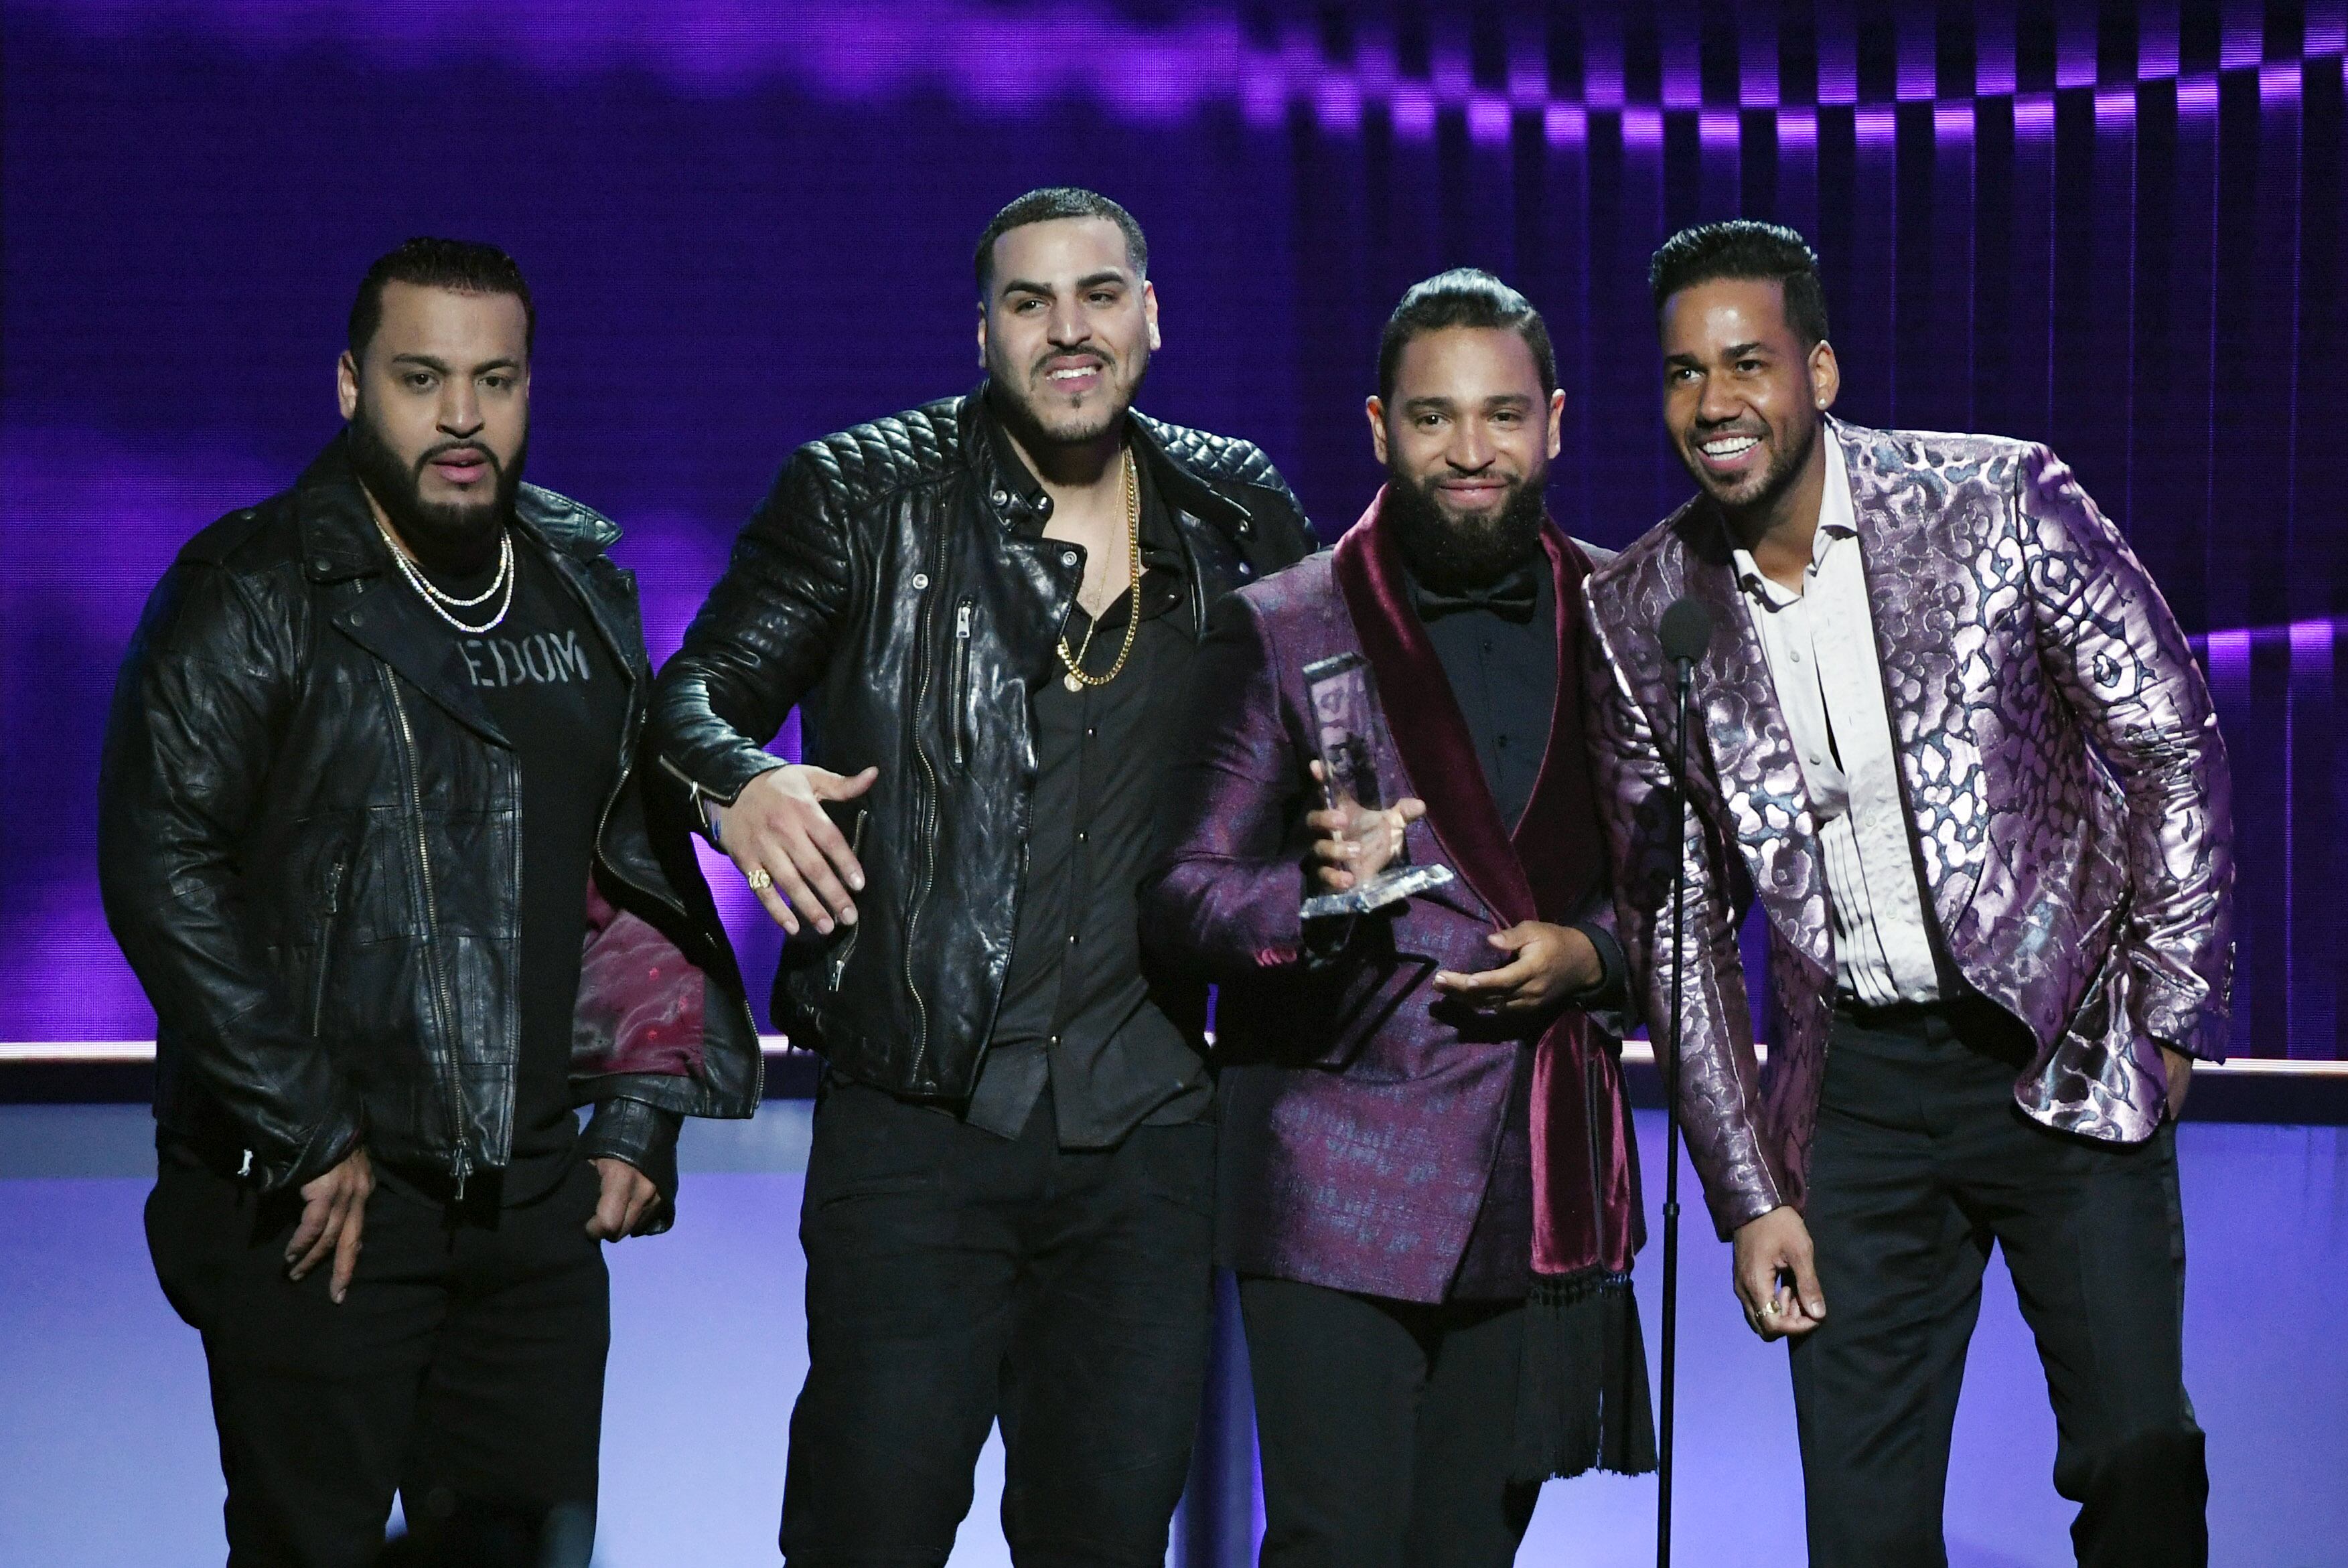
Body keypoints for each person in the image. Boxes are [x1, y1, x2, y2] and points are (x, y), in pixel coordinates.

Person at [650, 187, 1314, 1565]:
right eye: (1030, 304)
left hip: (1146, 1135)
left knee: (1111, 1537)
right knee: (868, 1530)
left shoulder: (1235, 504)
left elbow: (1325, 734)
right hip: (917, 1124)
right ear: (983, 333)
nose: (1067, 332)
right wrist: (743, 780)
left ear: (1149, 314)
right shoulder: (862, 492)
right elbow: (686, 702)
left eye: (1098, 296)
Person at [98, 236, 761, 1565]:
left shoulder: (580, 589)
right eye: (421, 378)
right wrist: (306, 1125)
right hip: (321, 1193)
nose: (461, 418)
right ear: (352, 385)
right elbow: (162, 864)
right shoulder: (250, 588)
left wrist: (636, 1107)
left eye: (493, 379)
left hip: (529, 1201)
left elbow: (625, 861)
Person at [1581, 220, 2233, 1567]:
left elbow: (2168, 733)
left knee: (2137, 1454)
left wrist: (2165, 1007)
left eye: (1747, 362)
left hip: (2057, 1043)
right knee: (1863, 1529)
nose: (1714, 403)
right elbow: (1675, 919)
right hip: (1854, 1096)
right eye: (1683, 374)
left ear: (1816, 369)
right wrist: (1748, 1185)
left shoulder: (1997, 500)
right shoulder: (1643, 610)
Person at [1143, 270, 1654, 1568]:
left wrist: (1591, 954)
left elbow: (1691, 888)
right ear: (1378, 426)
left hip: (1532, 1169)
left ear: (1555, 421)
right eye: (1434, 418)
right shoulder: (1283, 622)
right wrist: (1321, 895)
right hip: (1332, 1166)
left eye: (1500, 415)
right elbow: (1180, 893)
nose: (1470, 450)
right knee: (1335, 1544)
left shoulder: (1630, 616)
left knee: (1468, 1554)